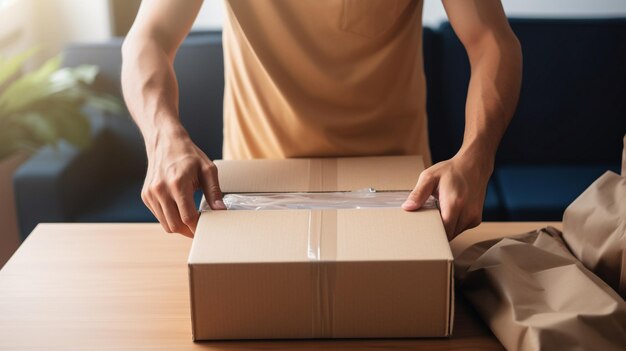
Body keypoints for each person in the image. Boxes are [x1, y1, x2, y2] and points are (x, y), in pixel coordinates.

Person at [121, 0, 522, 239]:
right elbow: (148, 37)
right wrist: (163, 137)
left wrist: (477, 155)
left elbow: (491, 39)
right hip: (251, 191)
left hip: (398, 194)